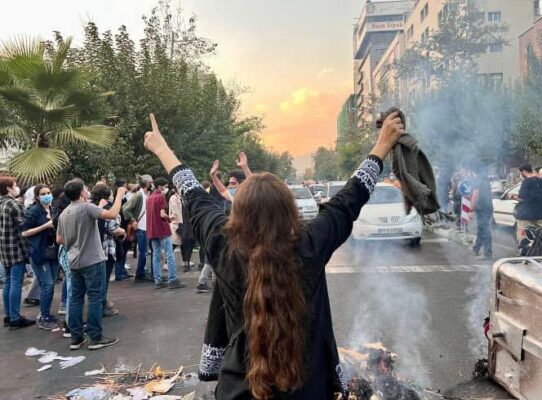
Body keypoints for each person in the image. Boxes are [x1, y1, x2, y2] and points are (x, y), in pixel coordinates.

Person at [143, 112, 404, 399]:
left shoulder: (223, 244)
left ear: (238, 214)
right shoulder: (310, 244)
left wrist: (162, 149)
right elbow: (350, 198)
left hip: (237, 391)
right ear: (288, 210)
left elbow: (193, 195)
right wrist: (382, 145)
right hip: (308, 389)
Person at [56, 179, 127, 350]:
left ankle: (76, 337)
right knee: (96, 297)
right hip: (93, 259)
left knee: (76, 299)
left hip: (74, 261)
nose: (88, 191)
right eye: (86, 188)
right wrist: (119, 195)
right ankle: (96, 337)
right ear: (81, 193)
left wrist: (75, 238)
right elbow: (111, 214)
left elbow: (59, 239)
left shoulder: (64, 213)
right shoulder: (87, 207)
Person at [21, 184, 61, 330]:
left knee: (50, 286)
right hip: (39, 253)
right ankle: (44, 317)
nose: (47, 195)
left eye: (49, 192)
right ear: (37, 196)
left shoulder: (53, 209)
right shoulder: (33, 211)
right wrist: (45, 226)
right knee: (48, 285)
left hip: (53, 252)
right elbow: (24, 232)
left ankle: (46, 314)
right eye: (43, 193)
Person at [0, 177, 35, 329]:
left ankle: (8, 316)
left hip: (4, 248)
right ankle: (15, 317)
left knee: (8, 281)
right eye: (14, 185)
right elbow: (24, 226)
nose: (17, 187)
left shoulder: (1, 203)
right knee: (15, 282)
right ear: (8, 188)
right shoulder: (13, 204)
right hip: (15, 247)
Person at [91, 184, 124, 317]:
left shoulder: (90, 206)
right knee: (103, 280)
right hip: (105, 248)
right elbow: (112, 228)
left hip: (93, 248)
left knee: (98, 280)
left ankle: (102, 302)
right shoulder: (108, 209)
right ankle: (101, 306)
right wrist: (121, 231)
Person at [146, 177, 185, 289]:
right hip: (162, 229)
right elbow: (162, 214)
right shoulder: (161, 197)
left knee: (156, 255)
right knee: (169, 254)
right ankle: (173, 279)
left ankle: (158, 280)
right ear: (160, 186)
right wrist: (169, 219)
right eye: (165, 186)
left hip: (152, 230)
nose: (166, 188)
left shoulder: (149, 198)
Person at [123, 175, 154, 282]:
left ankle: (143, 273)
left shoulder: (144, 194)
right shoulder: (139, 195)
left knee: (146, 251)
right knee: (143, 252)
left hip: (147, 226)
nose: (152, 184)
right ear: (147, 183)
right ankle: (140, 274)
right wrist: (133, 220)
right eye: (151, 182)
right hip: (141, 227)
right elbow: (125, 208)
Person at [515, 163, 542, 242]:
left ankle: (523, 251)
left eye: (520, 173)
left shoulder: (526, 182)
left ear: (524, 172)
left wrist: (513, 197)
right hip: (539, 214)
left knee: (523, 236)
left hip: (526, 215)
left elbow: (521, 198)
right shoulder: (540, 181)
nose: (520, 175)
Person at [470, 167, 493, 260]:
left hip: (482, 208)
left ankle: (487, 254)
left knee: (485, 230)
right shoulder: (485, 180)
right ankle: (476, 249)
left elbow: (475, 194)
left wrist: (471, 210)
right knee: (481, 230)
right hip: (487, 207)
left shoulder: (477, 180)